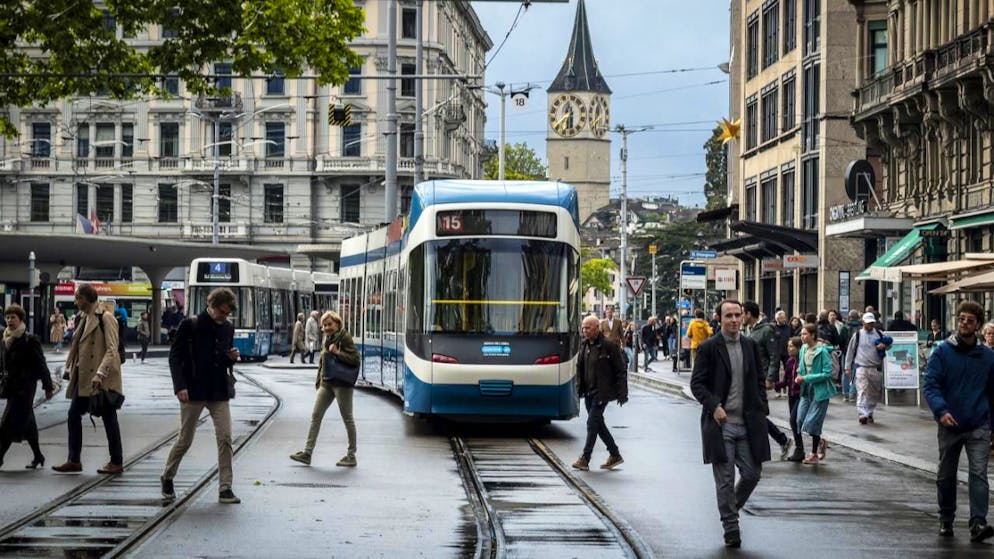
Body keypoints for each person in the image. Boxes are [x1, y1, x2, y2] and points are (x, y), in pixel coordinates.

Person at [690, 300, 771, 549]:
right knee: (724, 479)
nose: (734, 320)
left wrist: (761, 406)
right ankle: (731, 526)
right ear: (720, 319)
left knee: (752, 474)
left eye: (738, 315)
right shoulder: (709, 348)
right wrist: (714, 406)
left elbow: (759, 379)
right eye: (729, 316)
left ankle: (730, 507)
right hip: (721, 425)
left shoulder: (750, 346)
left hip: (747, 424)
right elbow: (697, 384)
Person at [162, 287, 241, 504]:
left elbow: (221, 358)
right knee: (185, 439)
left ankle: (225, 487)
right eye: (222, 312)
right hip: (193, 389)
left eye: (227, 314)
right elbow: (174, 357)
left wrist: (230, 358)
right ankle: (167, 476)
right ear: (211, 306)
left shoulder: (227, 328)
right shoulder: (190, 324)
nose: (224, 317)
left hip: (218, 390)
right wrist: (180, 386)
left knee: (225, 437)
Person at [923, 301, 994, 542]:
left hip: (978, 424)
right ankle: (946, 518)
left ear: (978, 326)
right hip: (949, 423)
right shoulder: (942, 351)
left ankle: (978, 523)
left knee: (978, 474)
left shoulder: (987, 356)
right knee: (946, 474)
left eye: (970, 321)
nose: (964, 323)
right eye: (961, 319)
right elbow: (930, 385)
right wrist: (941, 411)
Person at [53, 283, 124, 475]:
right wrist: (70, 367)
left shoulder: (106, 318)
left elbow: (112, 349)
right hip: (84, 378)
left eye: (79, 298)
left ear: (88, 298)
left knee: (109, 417)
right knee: (73, 415)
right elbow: (77, 347)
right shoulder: (82, 318)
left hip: (101, 379)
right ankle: (74, 459)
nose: (76, 302)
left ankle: (116, 461)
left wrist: (100, 373)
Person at [291, 310, 360, 467]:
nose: (327, 327)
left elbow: (355, 360)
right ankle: (307, 453)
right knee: (316, 415)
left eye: (330, 324)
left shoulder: (345, 337)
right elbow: (323, 361)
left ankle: (351, 455)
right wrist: (319, 380)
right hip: (327, 383)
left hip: (342, 384)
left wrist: (338, 352)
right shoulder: (327, 338)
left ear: (337, 324)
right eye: (324, 325)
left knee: (347, 418)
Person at [0, 304, 55, 469]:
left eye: (13, 317)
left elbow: (41, 364)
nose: (9, 320)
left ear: (20, 319)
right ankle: (38, 456)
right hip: (11, 387)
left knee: (6, 424)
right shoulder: (4, 339)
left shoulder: (29, 340)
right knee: (29, 423)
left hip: (25, 388)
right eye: (7, 317)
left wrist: (48, 386)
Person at [571, 315, 627, 472]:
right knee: (598, 424)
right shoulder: (584, 345)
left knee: (591, 423)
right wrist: (578, 388)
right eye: (583, 328)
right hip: (588, 392)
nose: (584, 331)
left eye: (588, 328)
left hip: (602, 392)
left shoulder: (608, 346)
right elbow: (579, 368)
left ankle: (585, 458)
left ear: (596, 328)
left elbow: (620, 370)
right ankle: (615, 454)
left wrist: (622, 393)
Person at [743, 301, 791, 460]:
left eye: (741, 313)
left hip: (760, 378)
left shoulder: (766, 330)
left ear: (749, 314)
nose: (740, 317)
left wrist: (770, 378)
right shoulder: (751, 330)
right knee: (756, 413)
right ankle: (781, 440)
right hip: (751, 378)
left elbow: (774, 355)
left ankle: (772, 444)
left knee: (756, 413)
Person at [795, 324, 837, 465]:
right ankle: (820, 441)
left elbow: (827, 373)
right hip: (806, 389)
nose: (802, 337)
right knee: (800, 420)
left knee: (812, 423)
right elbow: (802, 367)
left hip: (820, 390)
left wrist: (806, 378)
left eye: (805, 334)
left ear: (813, 335)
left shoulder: (822, 351)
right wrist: (799, 374)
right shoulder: (803, 349)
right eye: (801, 334)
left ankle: (813, 453)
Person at [843, 312, 893, 425]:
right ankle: (862, 414)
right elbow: (850, 351)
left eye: (871, 323)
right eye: (868, 323)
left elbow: (889, 344)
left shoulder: (879, 334)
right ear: (863, 323)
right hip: (861, 367)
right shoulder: (857, 335)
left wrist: (884, 346)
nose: (870, 325)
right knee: (862, 390)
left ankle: (869, 411)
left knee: (874, 392)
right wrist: (847, 367)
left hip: (875, 367)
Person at [775, 337, 805, 462]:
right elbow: (787, 380)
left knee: (794, 421)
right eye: (788, 346)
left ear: (799, 348)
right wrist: (775, 385)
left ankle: (800, 448)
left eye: (792, 346)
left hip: (801, 395)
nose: (789, 349)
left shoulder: (803, 362)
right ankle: (800, 449)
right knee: (795, 423)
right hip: (791, 396)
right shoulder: (789, 362)